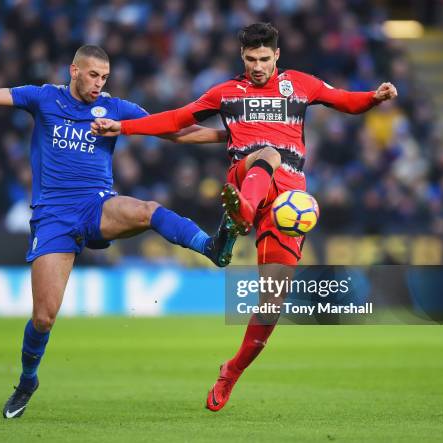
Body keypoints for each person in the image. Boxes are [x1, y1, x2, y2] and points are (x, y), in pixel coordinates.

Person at [0, 45, 237, 419]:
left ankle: (211, 246)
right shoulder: (43, 98)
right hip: (54, 217)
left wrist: (232, 136)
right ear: (74, 70)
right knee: (44, 317)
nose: (99, 84)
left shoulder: (115, 108)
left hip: (97, 205)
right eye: (93, 75)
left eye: (105, 77)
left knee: (147, 210)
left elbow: (173, 131)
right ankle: (28, 380)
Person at [91, 23, 398, 411]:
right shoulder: (226, 93)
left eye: (264, 59)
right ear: (242, 56)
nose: (257, 66)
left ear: (277, 55)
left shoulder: (300, 85)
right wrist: (125, 126)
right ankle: (242, 214)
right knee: (267, 153)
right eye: (250, 59)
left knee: (271, 305)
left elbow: (345, 101)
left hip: (288, 204)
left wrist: (375, 96)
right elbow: (177, 119)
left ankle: (231, 371)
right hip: (245, 179)